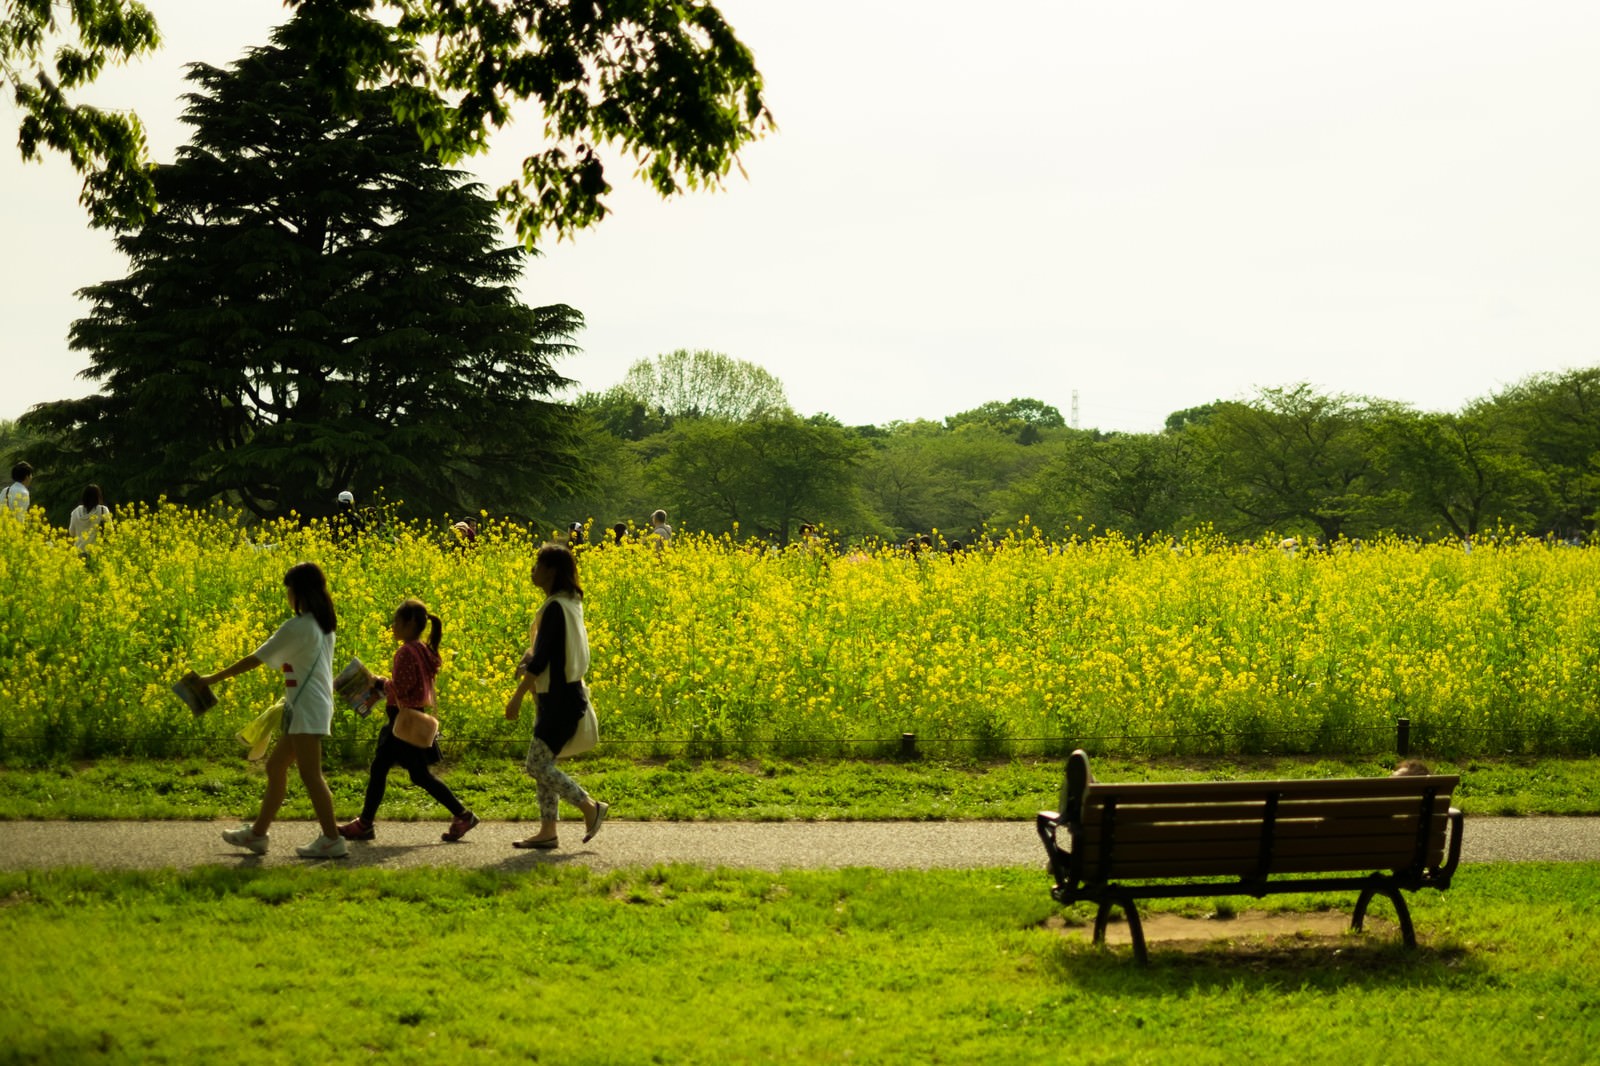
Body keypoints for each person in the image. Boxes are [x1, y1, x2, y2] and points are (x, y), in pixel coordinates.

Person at [201, 561, 347, 859]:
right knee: (275, 767)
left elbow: (257, 658)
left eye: (289, 590)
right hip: (310, 705)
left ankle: (332, 839)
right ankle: (257, 835)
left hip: (307, 708)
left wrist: (212, 678)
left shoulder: (299, 626)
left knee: (311, 775)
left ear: (298, 592)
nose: (287, 596)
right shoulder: (324, 626)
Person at [339, 598, 478, 843]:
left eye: (396, 621)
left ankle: (365, 825)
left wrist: (379, 683)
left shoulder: (405, 651)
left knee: (388, 770)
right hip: (413, 718)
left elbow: (401, 689)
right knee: (410, 773)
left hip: (402, 722)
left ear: (410, 623)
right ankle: (462, 815)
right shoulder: (424, 650)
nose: (392, 626)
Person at [504, 543, 608, 849]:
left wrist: (517, 696)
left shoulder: (555, 607)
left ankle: (590, 807)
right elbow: (548, 649)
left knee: (537, 766)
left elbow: (543, 659)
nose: (533, 570)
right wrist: (528, 656)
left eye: (537, 564)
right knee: (543, 763)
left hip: (560, 698)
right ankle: (548, 830)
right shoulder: (568, 602)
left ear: (550, 571)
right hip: (560, 695)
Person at [68, 484, 112, 555]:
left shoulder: (75, 512)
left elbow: (71, 532)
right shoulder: (102, 510)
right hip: (96, 553)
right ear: (98, 496)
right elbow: (110, 531)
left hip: (78, 553)